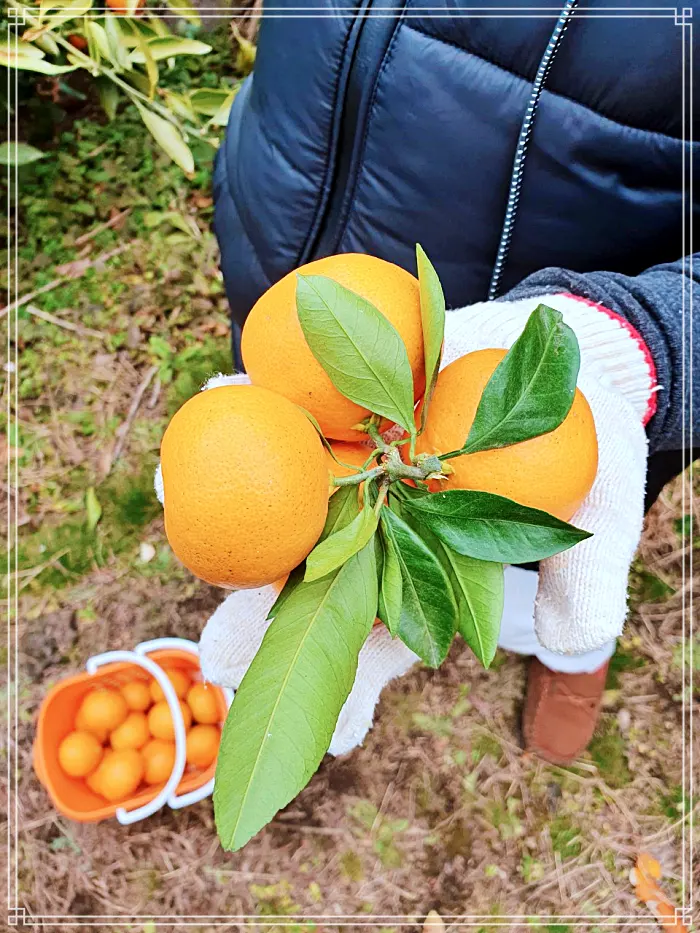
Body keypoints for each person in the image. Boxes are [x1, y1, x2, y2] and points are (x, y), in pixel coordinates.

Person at [193, 1, 699, 766]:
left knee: (559, 558)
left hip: (558, 328)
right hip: (303, 273)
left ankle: (569, 657)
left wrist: (652, 336)